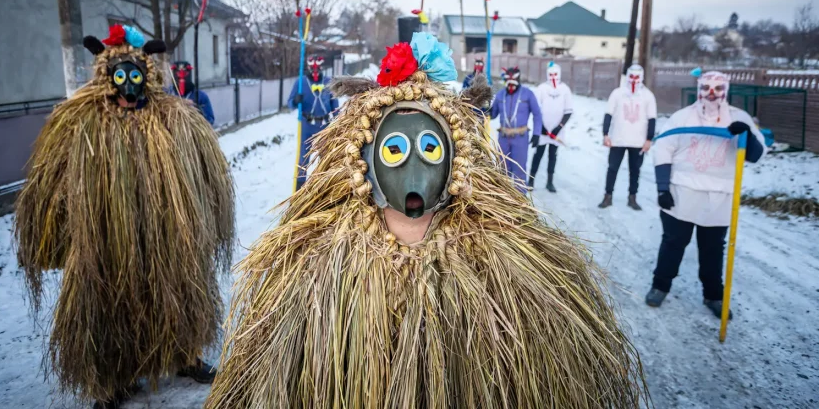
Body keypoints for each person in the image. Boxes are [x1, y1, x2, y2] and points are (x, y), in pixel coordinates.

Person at [205, 33, 647, 408]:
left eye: (431, 150)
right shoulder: (321, 266)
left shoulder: (492, 263)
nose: (413, 175)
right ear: (365, 162)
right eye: (394, 152)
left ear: (456, 160)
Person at [15, 25, 235, 409]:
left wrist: (210, 221)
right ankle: (114, 378)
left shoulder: (176, 118)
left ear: (146, 75)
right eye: (121, 76)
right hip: (107, 240)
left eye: (135, 75)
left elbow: (208, 173)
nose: (129, 85)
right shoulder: (83, 122)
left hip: (168, 233)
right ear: (108, 77)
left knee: (178, 292)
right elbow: (52, 179)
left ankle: (186, 356)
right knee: (110, 305)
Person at [645, 71, 765, 318]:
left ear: (726, 89)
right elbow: (663, 150)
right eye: (707, 87)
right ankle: (660, 286)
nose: (712, 93)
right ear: (698, 89)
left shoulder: (739, 118)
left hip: (719, 200)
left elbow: (754, 155)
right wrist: (662, 188)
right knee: (672, 243)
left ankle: (713, 295)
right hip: (681, 194)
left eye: (718, 88)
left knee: (712, 250)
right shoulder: (682, 117)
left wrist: (748, 135)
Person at [599, 64, 657, 210]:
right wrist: (605, 134)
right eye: (631, 76)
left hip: (638, 141)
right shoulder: (617, 93)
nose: (634, 80)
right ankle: (608, 196)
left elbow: (652, 119)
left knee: (635, 170)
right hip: (618, 139)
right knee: (612, 168)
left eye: (637, 77)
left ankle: (632, 197)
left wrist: (649, 139)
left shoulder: (648, 96)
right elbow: (608, 114)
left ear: (642, 77)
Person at [288, 55, 340, 191]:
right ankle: (299, 189)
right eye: (313, 67)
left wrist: (339, 121)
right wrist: (296, 101)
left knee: (326, 157)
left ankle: (325, 188)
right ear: (309, 67)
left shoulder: (329, 82)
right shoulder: (301, 82)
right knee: (303, 159)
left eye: (318, 68)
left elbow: (335, 105)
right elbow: (290, 103)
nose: (315, 70)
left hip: (325, 125)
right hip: (307, 125)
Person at [490, 66, 542, 193]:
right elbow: (493, 114)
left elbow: (537, 114)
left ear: (518, 79)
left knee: (519, 170)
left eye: (514, 79)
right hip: (503, 138)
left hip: (520, 138)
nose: (511, 82)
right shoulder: (500, 94)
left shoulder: (527, 94)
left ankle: (520, 202)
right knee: (502, 169)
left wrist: (537, 133)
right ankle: (503, 198)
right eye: (508, 79)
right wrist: (484, 107)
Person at [529, 61, 573, 192]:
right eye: (551, 74)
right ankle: (531, 180)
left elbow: (568, 111)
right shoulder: (542, 88)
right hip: (543, 130)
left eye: (555, 74)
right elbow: (536, 109)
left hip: (556, 132)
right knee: (538, 154)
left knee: (553, 156)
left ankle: (550, 182)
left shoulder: (565, 89)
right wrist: (540, 127)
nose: (553, 76)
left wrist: (558, 128)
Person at [168, 60, 215, 125]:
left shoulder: (201, 96)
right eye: (178, 73)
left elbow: (210, 120)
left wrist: (198, 111)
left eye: (185, 73)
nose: (181, 78)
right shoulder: (167, 94)